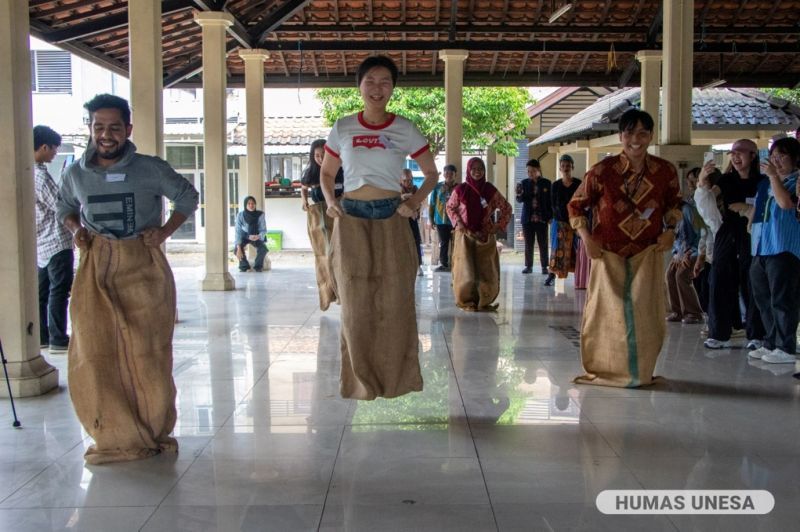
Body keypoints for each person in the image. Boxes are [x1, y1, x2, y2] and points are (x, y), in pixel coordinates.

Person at [56, 94, 199, 464]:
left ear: (128, 130)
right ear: (90, 130)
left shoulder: (150, 168)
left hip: (142, 264)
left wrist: (165, 231)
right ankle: (113, 435)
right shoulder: (75, 173)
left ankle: (152, 431)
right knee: (96, 352)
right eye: (99, 127)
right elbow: (65, 206)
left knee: (148, 352)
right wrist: (76, 230)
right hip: (97, 265)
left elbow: (186, 195)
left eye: (114, 127)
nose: (106, 135)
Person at [319, 56, 438, 400]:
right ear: (359, 86)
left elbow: (431, 174)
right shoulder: (342, 128)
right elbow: (327, 175)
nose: (377, 89)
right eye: (370, 81)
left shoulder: (405, 128)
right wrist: (330, 200)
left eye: (385, 81)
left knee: (395, 303)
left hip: (392, 218)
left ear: (393, 88)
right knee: (355, 308)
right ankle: (359, 383)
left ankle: (398, 380)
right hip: (351, 218)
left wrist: (414, 202)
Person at [568, 109, 682, 388]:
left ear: (651, 136)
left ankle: (639, 372)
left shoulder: (665, 171)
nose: (636, 140)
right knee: (605, 315)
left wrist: (670, 232)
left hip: (648, 252)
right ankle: (607, 369)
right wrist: (587, 238)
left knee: (647, 315)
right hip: (607, 253)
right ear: (620, 136)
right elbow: (575, 205)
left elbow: (675, 205)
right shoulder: (601, 172)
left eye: (643, 133)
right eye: (630, 133)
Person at [698, 139, 766, 350]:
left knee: (752, 282)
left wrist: (746, 208)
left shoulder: (763, 180)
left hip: (753, 233)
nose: (736, 157)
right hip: (727, 232)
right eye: (733, 153)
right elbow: (709, 198)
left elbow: (764, 205)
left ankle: (756, 334)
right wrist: (702, 182)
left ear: (753, 155)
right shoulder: (727, 179)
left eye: (741, 153)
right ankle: (720, 334)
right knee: (719, 279)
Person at [747, 137, 800, 364]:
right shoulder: (769, 183)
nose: (776, 161)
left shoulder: (794, 181)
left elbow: (786, 204)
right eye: (774, 156)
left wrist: (772, 176)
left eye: (782, 156)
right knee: (763, 297)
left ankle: (786, 346)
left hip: (785, 247)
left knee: (783, 298)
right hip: (763, 247)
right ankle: (771, 341)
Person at [446, 157, 512, 311]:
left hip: (485, 237)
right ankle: (466, 301)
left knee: (486, 270)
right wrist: (460, 224)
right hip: (464, 235)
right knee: (465, 271)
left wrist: (498, 226)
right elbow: (450, 207)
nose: (477, 171)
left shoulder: (490, 190)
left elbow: (507, 208)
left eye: (480, 168)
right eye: (474, 168)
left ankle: (484, 301)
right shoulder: (460, 189)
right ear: (469, 170)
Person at [33, 125, 73, 354]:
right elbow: (59, 207)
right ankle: (58, 338)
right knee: (59, 290)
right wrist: (78, 229)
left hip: (40, 243)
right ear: (44, 147)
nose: (55, 154)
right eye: (54, 149)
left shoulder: (26, 171)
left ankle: (42, 337)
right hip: (57, 242)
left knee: (42, 293)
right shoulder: (40, 176)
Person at [300, 138, 343, 310]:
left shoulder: (340, 170)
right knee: (322, 256)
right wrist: (304, 202)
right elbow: (303, 187)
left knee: (338, 255)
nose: (320, 158)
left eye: (323, 154)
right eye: (316, 155)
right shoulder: (310, 173)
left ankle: (341, 293)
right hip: (318, 218)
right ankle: (327, 294)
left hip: (338, 216)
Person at [665, 168, 705, 324]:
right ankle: (677, 311)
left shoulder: (687, 210)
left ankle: (693, 312)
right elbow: (674, 236)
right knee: (669, 275)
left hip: (695, 250)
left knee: (681, 276)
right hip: (680, 252)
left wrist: (689, 253)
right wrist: (677, 254)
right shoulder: (667, 215)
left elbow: (699, 234)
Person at [547, 154, 581, 286]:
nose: (565, 168)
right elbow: (553, 204)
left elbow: (580, 202)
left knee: (576, 250)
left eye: (568, 165)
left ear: (572, 167)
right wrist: (560, 219)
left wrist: (573, 219)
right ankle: (554, 277)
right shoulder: (555, 185)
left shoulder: (578, 184)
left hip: (574, 222)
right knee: (557, 250)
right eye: (563, 166)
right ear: (560, 168)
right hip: (559, 222)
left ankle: (580, 278)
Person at [516, 158, 552, 275]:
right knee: (528, 244)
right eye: (528, 171)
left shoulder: (546, 183)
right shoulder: (524, 183)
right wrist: (519, 193)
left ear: (538, 170)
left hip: (542, 218)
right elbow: (520, 200)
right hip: (528, 218)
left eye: (532, 171)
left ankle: (544, 267)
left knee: (543, 243)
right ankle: (529, 266)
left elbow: (550, 201)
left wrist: (550, 216)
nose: (530, 174)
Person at [429, 163, 457, 272]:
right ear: (444, 174)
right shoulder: (437, 187)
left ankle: (456, 264)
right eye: (447, 173)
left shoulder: (459, 188)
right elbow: (432, 204)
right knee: (444, 243)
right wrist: (431, 220)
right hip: (441, 220)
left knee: (456, 243)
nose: (449, 175)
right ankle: (444, 264)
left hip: (455, 221)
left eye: (451, 173)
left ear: (455, 174)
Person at [234, 195, 267, 272]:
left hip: (256, 235)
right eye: (248, 203)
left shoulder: (260, 214)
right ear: (245, 205)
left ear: (255, 204)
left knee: (263, 249)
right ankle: (244, 266)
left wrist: (258, 236)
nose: (251, 205)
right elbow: (238, 231)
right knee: (236, 249)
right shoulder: (240, 215)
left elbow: (263, 229)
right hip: (245, 236)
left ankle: (258, 267)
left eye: (253, 203)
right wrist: (239, 247)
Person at [402, 168, 424, 275]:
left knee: (416, 242)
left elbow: (420, 203)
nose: (408, 183)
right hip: (400, 222)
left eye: (410, 180)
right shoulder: (398, 190)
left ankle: (418, 265)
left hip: (413, 220)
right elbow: (395, 201)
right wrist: (403, 197)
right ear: (401, 180)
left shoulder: (416, 189)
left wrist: (414, 208)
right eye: (405, 180)